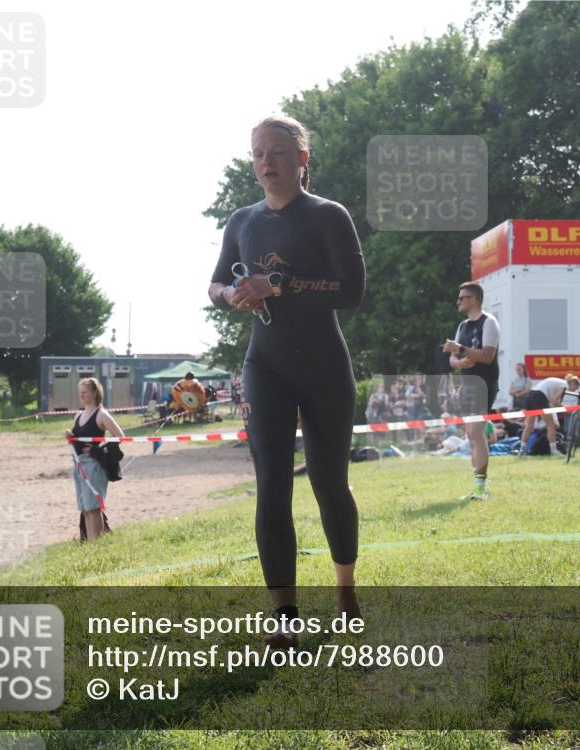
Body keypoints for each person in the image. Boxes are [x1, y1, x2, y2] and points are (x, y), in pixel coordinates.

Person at [207, 115, 366, 647]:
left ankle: (345, 591)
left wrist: (276, 284)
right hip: (265, 365)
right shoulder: (242, 220)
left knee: (328, 485)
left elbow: (352, 290)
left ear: (302, 158)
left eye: (276, 152)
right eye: (257, 154)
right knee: (271, 486)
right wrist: (231, 295)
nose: (265, 163)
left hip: (322, 363)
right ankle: (284, 619)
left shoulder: (328, 216)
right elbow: (214, 283)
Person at [442, 282, 501, 500]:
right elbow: (452, 358)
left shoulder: (489, 322)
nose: (458, 301)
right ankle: (477, 484)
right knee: (471, 434)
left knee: (476, 432)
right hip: (466, 385)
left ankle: (481, 486)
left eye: (462, 298)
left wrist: (459, 350)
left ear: (473, 299)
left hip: (484, 384)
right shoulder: (462, 326)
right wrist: (460, 362)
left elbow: (487, 356)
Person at [65, 377, 125, 541]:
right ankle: (91, 544)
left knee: (93, 507)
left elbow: (120, 436)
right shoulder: (78, 416)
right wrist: (70, 436)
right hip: (78, 465)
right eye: (80, 392)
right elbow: (77, 438)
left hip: (94, 466)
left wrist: (99, 450)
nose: (81, 395)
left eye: (85, 392)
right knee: (85, 508)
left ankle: (96, 544)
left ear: (94, 392)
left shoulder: (101, 415)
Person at [519, 377, 567, 456]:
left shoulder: (556, 383)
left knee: (529, 426)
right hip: (539, 396)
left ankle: (522, 449)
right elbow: (555, 401)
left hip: (531, 395)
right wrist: (566, 408)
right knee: (550, 425)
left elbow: (552, 401)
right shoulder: (564, 385)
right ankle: (554, 451)